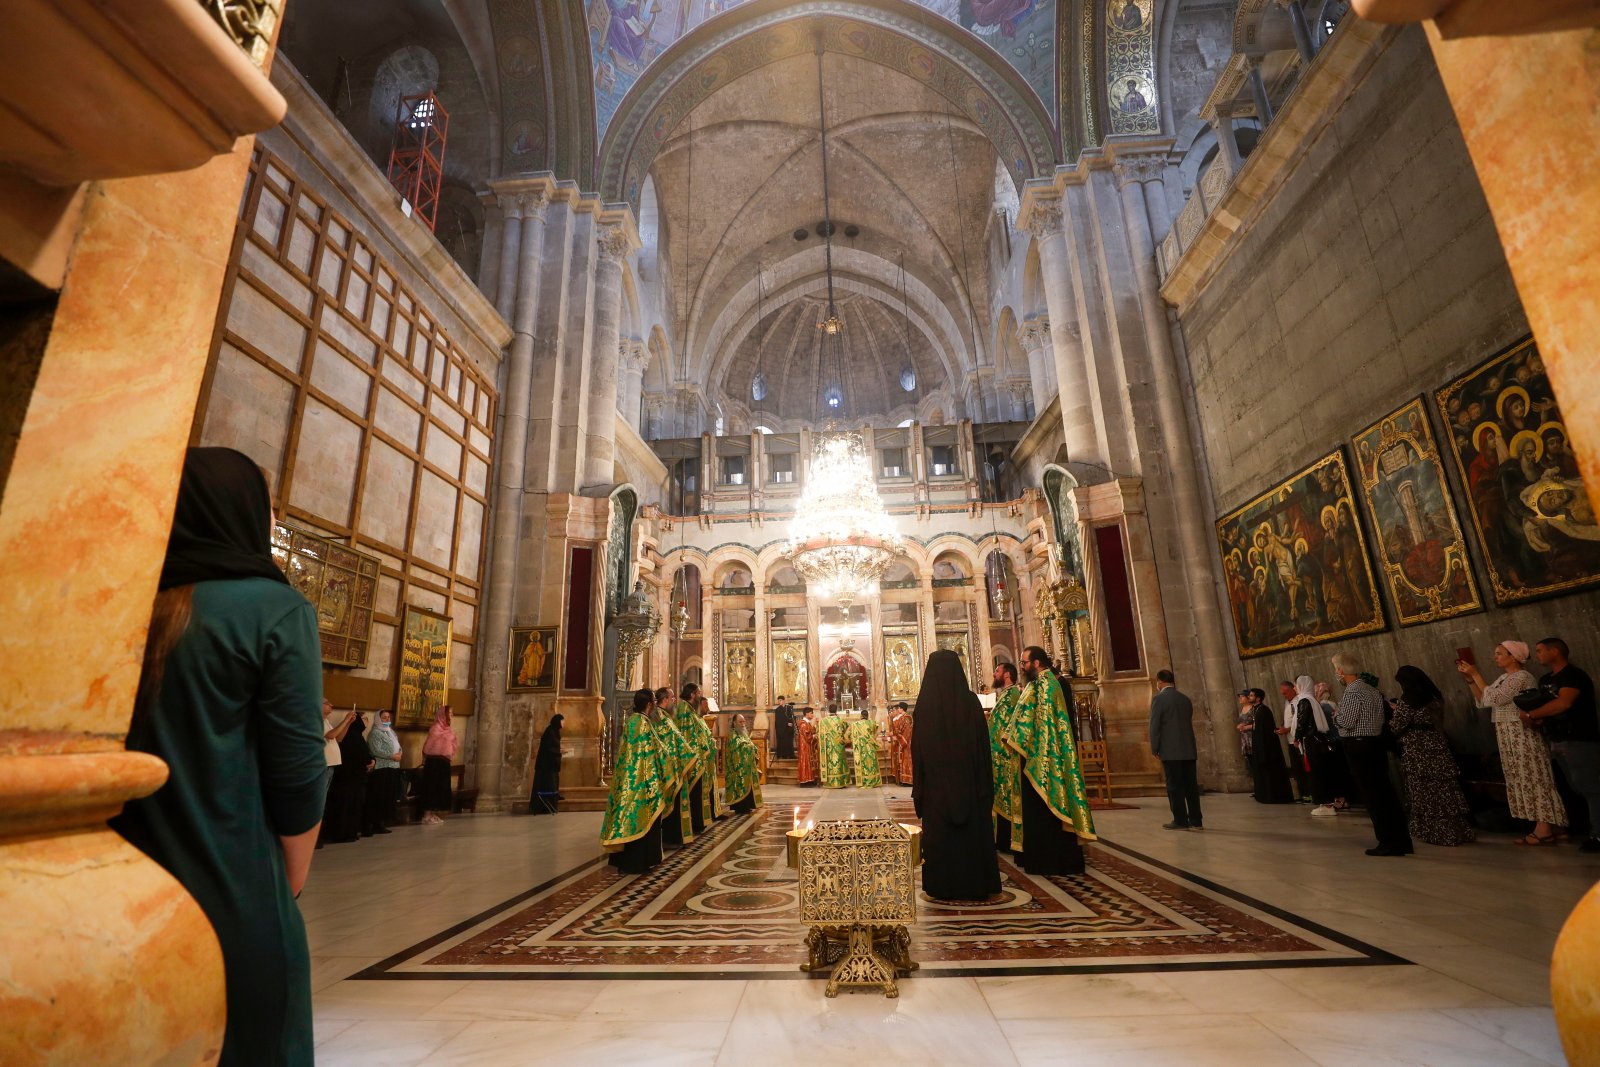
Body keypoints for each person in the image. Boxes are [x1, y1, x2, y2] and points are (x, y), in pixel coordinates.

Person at [111, 446, 325, 1066]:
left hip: (119, 891)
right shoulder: (274, 610)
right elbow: (298, 778)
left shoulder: (117, 609)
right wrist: (283, 886)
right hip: (233, 886)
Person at [913, 649, 1003, 901]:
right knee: (971, 837)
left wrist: (919, 789)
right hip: (970, 787)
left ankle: (942, 885)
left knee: (941, 839)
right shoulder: (971, 702)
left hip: (936, 791)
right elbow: (984, 749)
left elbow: (917, 753)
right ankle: (976, 882)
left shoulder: (924, 706)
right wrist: (985, 784)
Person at [1458, 640, 1566, 844]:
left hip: (1521, 733)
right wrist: (1471, 681)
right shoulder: (1504, 678)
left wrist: (1476, 674)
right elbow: (1484, 701)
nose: (1495, 657)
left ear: (1514, 656)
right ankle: (1554, 825)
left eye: (1500, 653)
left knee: (1533, 776)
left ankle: (1544, 829)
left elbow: (1497, 698)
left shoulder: (1522, 677)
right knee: (1522, 777)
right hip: (1507, 733)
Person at [1005, 646, 1097, 875]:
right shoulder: (1038, 684)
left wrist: (1018, 739)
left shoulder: (1047, 685)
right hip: (1033, 754)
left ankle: (1049, 860)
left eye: (1025, 662)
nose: (1022, 666)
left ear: (1036, 663)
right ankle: (1038, 857)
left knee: (1045, 812)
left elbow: (1044, 724)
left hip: (1043, 757)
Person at [1332, 653, 1412, 856]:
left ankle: (1387, 841)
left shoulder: (1352, 692)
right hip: (1375, 744)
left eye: (1336, 668)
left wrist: (1336, 718)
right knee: (1386, 793)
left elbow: (1346, 722)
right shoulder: (1372, 690)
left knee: (1373, 796)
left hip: (1359, 747)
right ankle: (1401, 840)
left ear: (1341, 671)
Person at [1525, 637, 1600, 852]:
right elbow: (1544, 705)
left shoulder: (1574, 675)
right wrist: (1537, 718)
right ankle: (1586, 829)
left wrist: (1532, 713)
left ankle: (1598, 834)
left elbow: (1564, 703)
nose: (1537, 655)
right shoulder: (1545, 679)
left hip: (1579, 738)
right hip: (1555, 739)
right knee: (1575, 787)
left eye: (1540, 650)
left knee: (1591, 787)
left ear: (1555, 651)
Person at [1389, 666, 1474, 846]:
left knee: (1424, 791)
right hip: (1438, 744)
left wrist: (1394, 711)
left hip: (1418, 748)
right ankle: (1457, 831)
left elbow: (1397, 724)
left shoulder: (1409, 699)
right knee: (1444, 789)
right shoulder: (1435, 696)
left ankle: (1434, 832)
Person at [603, 688, 668, 873]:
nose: (655, 706)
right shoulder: (643, 724)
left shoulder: (633, 721)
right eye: (654, 702)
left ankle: (630, 861)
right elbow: (651, 752)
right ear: (649, 705)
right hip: (642, 782)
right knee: (641, 819)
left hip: (628, 779)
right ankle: (638, 862)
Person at [1149, 669, 1202, 830]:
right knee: (1191, 786)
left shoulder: (1159, 699)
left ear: (1160, 682)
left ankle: (1180, 820)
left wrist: (1155, 747)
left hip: (1171, 750)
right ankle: (1196, 820)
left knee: (1174, 786)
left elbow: (1155, 725)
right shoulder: (1184, 699)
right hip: (1188, 749)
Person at [1286, 677, 1343, 816]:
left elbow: (1302, 721)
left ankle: (1326, 804)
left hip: (1311, 741)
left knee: (1316, 772)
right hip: (1318, 740)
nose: (1295, 688)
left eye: (1296, 685)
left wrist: (1297, 737)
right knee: (1320, 771)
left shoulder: (1304, 700)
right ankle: (1327, 802)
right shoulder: (1311, 699)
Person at [670, 684, 719, 831]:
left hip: (699, 758)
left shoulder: (690, 710)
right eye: (698, 693)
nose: (700, 695)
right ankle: (696, 824)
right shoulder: (685, 710)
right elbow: (687, 735)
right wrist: (699, 751)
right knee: (694, 794)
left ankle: (699, 822)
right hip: (693, 759)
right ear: (692, 694)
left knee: (698, 793)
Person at [651, 690, 693, 847]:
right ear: (665, 700)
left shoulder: (666, 718)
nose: (675, 700)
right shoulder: (660, 718)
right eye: (672, 697)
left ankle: (674, 837)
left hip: (674, 766)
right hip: (668, 767)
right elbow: (668, 742)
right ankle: (670, 838)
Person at [989, 663, 1024, 852]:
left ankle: (1008, 840)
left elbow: (1007, 726)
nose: (994, 673)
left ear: (1007, 674)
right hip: (998, 756)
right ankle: (1000, 839)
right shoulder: (1006, 694)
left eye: (997, 670)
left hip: (1006, 756)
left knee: (1008, 798)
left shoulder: (1012, 696)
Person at [323, 709, 371, 843]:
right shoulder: (351, 735)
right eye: (364, 720)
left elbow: (339, 738)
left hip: (354, 776)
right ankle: (341, 832)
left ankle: (351, 830)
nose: (331, 705)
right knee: (344, 805)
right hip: (347, 776)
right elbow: (332, 737)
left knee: (354, 805)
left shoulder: (356, 735)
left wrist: (370, 760)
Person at [1238, 688, 1293, 803]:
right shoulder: (1257, 710)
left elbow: (1265, 729)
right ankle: (1263, 795)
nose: (1249, 697)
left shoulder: (1263, 710)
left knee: (1268, 772)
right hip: (1258, 745)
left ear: (1258, 698)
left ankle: (1271, 796)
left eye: (1252, 695)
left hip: (1267, 747)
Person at [361, 709, 400, 836]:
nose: (387, 720)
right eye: (384, 717)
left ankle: (381, 821)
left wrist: (400, 753)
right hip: (381, 768)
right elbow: (375, 750)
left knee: (387, 796)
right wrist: (391, 756)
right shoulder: (375, 733)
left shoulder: (391, 732)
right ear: (378, 719)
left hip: (393, 767)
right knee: (378, 796)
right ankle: (374, 823)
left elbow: (398, 746)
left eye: (388, 717)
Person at [1276, 679, 1313, 803]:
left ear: (1293, 689)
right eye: (1282, 693)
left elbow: (1300, 721)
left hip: (1299, 740)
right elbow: (1289, 719)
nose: (1284, 695)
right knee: (1297, 769)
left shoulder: (1300, 701)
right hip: (1291, 741)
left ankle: (1309, 793)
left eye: (1286, 692)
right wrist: (1283, 727)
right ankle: (1303, 794)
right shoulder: (1288, 703)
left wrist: (1287, 729)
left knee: (1304, 768)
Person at [420, 705, 458, 824]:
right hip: (434, 763)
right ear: (443, 714)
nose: (451, 714)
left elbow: (453, 743)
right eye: (450, 712)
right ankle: (427, 815)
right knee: (432, 788)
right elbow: (428, 746)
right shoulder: (435, 728)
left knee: (440, 789)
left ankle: (433, 813)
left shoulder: (448, 729)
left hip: (444, 763)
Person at [725, 713, 763, 813]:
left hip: (747, 766)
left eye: (743, 721)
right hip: (738, 768)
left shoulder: (743, 734)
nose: (743, 724)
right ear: (734, 723)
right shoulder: (733, 735)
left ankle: (747, 805)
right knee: (740, 785)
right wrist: (749, 748)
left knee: (748, 785)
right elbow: (736, 748)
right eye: (740, 722)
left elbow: (749, 744)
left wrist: (753, 748)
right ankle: (740, 807)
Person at [529, 712, 564, 811]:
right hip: (546, 766)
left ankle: (552, 804)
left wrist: (559, 751)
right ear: (558, 722)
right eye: (562, 721)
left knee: (553, 784)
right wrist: (559, 751)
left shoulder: (554, 731)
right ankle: (545, 807)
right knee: (548, 785)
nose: (563, 723)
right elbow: (548, 748)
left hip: (551, 766)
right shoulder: (550, 731)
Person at [816, 705, 849, 788]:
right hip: (838, 745)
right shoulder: (840, 720)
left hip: (828, 746)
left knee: (830, 763)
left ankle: (829, 782)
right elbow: (845, 729)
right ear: (836, 710)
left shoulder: (823, 721)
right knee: (839, 762)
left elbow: (818, 732)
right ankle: (841, 782)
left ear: (828, 710)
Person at [849, 712, 883, 787]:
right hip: (870, 747)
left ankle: (864, 781)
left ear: (861, 716)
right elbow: (875, 733)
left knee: (863, 764)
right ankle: (874, 781)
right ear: (868, 716)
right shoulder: (872, 723)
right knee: (872, 763)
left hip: (861, 748)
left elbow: (851, 737)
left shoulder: (855, 724)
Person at [889, 702, 914, 784]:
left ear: (902, 709)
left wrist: (895, 733)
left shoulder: (907, 718)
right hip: (902, 740)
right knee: (902, 760)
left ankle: (908, 780)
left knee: (907, 760)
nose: (898, 709)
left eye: (899, 708)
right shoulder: (903, 717)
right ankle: (902, 779)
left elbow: (903, 730)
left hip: (906, 742)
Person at [796, 709, 820, 786]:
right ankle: (805, 781)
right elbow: (808, 736)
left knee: (809, 763)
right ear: (806, 714)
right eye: (811, 713)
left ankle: (810, 780)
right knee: (805, 763)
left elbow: (812, 731)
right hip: (804, 747)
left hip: (808, 746)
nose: (812, 715)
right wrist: (814, 736)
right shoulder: (803, 724)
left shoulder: (807, 723)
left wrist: (816, 724)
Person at [774, 695, 796, 760]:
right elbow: (779, 720)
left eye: (780, 700)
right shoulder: (777, 710)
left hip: (788, 729)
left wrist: (791, 724)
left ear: (784, 701)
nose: (779, 702)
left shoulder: (789, 708)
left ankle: (791, 755)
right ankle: (783, 755)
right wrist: (786, 723)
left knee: (789, 742)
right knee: (782, 742)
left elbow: (791, 717)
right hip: (781, 729)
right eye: (778, 701)